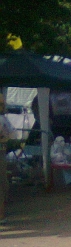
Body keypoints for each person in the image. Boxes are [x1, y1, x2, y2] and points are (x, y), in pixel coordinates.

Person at [0, 93, 16, 224]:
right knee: (2, 184)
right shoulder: (3, 119)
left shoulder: (3, 119)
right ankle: (1, 215)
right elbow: (12, 134)